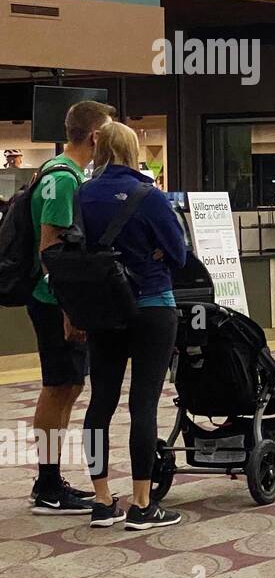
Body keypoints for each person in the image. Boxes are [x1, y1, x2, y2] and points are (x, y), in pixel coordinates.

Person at [79, 122, 188, 530]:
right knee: (143, 404)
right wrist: (154, 251)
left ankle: (102, 498)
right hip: (151, 304)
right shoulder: (150, 195)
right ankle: (143, 504)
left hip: (102, 310)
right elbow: (178, 253)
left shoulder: (83, 194)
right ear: (130, 150)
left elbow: (77, 247)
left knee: (100, 403)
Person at [28, 99, 116, 515]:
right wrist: (70, 310)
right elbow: (51, 249)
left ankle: (51, 479)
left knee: (69, 385)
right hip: (52, 300)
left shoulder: (58, 173)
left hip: (52, 297)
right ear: (96, 136)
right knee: (57, 385)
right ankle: (46, 484)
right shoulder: (64, 180)